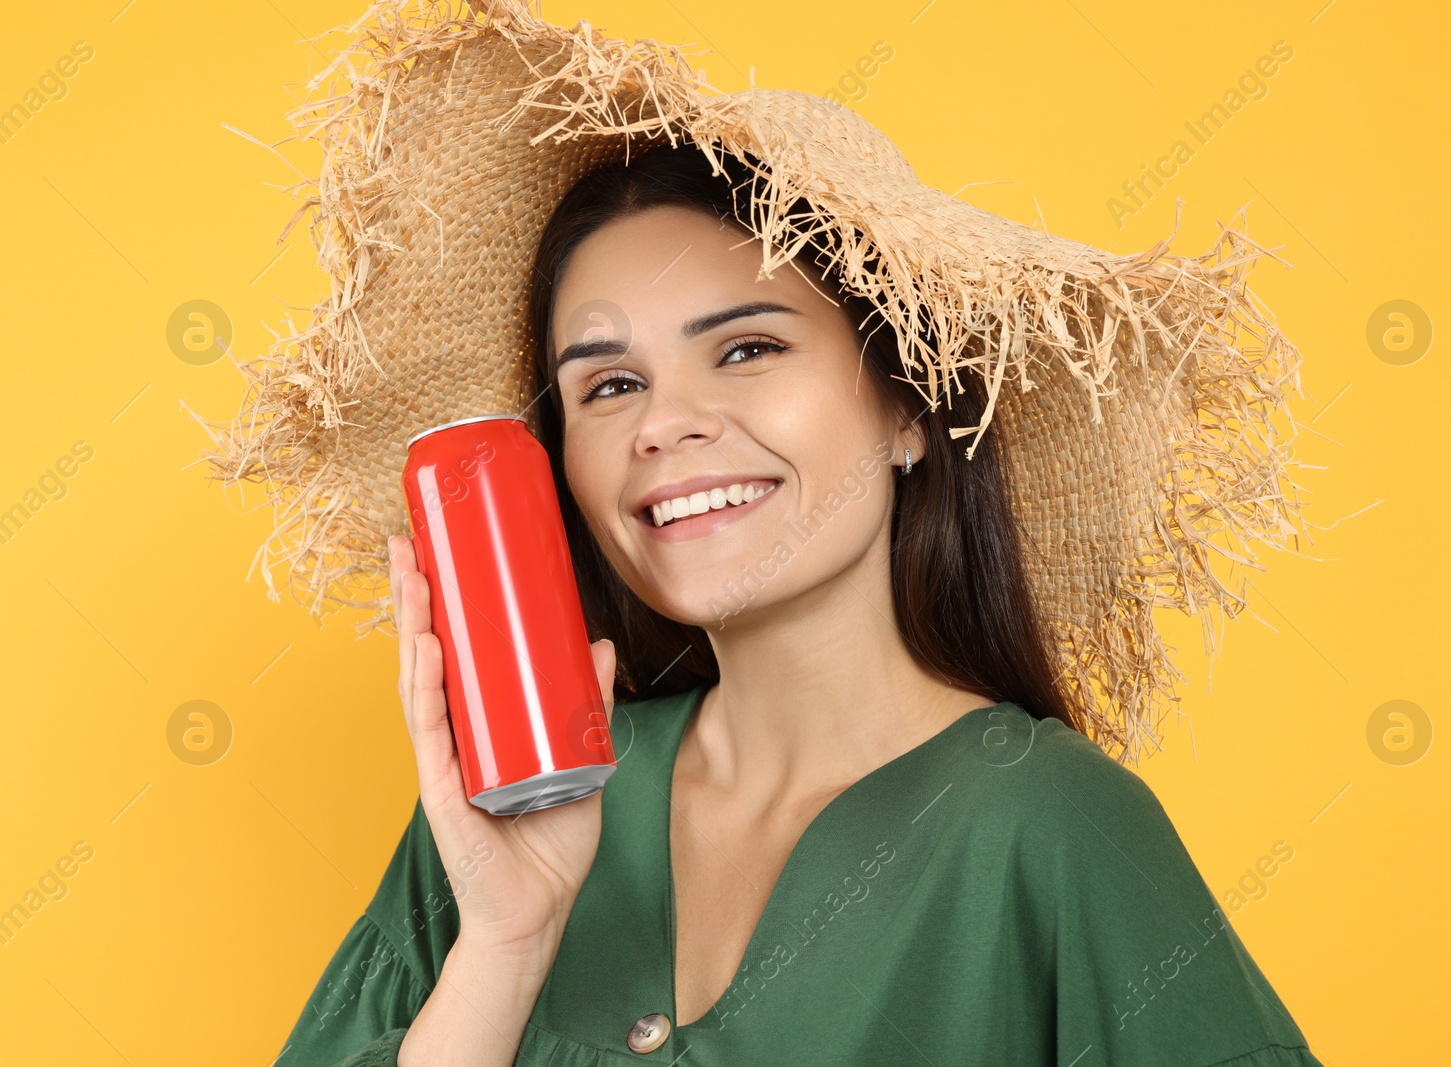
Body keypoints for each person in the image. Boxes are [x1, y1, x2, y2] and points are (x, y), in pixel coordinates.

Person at [271, 137, 1323, 1066]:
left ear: (907, 404)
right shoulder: (502, 819)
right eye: (608, 385)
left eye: (745, 348)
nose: (662, 425)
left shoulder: (1043, 827)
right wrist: (504, 949)